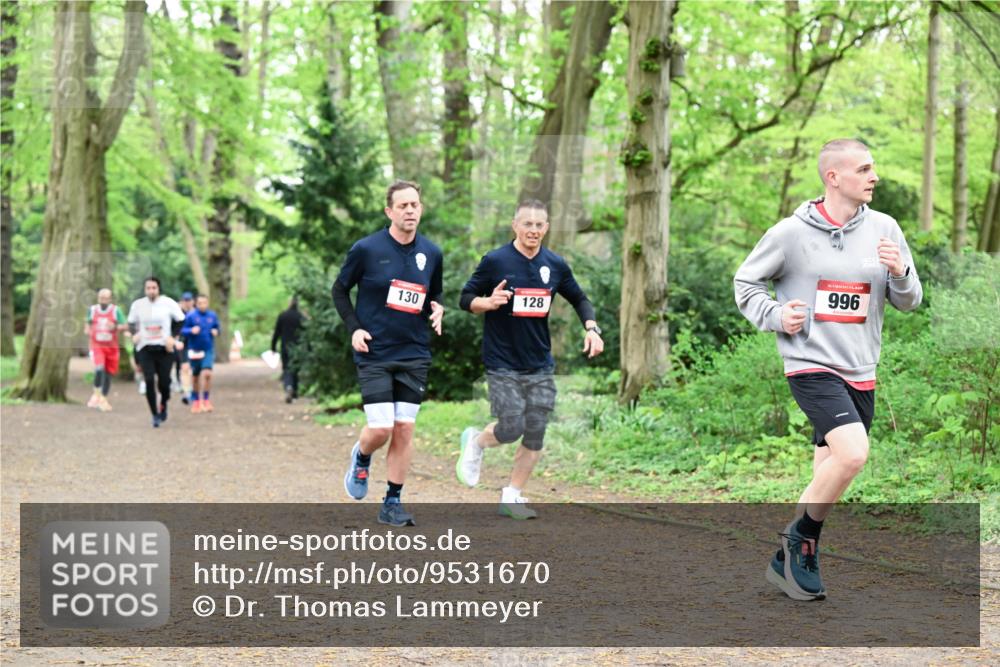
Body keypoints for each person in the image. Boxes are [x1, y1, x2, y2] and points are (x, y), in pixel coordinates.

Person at [733, 139, 922, 601]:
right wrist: (776, 315)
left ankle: (789, 557)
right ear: (833, 177)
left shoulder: (885, 228)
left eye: (873, 168)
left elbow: (909, 301)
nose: (874, 176)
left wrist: (900, 271)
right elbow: (746, 282)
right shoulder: (790, 234)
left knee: (829, 473)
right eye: (864, 169)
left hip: (861, 367)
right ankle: (799, 542)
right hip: (811, 364)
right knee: (853, 454)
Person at [456, 199, 604, 519]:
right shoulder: (495, 260)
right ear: (515, 226)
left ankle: (512, 495)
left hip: (539, 362)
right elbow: (465, 298)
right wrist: (487, 302)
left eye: (539, 225)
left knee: (536, 430)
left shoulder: (555, 264)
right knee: (511, 427)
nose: (533, 230)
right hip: (502, 360)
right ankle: (477, 442)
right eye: (527, 224)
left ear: (546, 228)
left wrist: (592, 328)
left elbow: (579, 299)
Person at [334, 180, 444, 527]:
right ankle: (362, 455)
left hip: (414, 351)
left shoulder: (432, 253)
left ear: (421, 209)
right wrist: (355, 328)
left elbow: (433, 294)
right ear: (389, 211)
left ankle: (392, 502)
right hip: (375, 350)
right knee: (381, 428)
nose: (410, 211)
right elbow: (340, 290)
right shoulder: (366, 249)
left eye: (414, 205)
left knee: (405, 427)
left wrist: (438, 308)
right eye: (403, 206)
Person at [127, 277, 186, 428]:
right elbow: (131, 323)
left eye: (154, 288)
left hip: (164, 348)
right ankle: (154, 414)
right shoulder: (138, 305)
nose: (151, 291)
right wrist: (135, 333)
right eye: (148, 288)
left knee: (164, 383)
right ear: (145, 289)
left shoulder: (168, 303)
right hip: (145, 348)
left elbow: (180, 320)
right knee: (148, 380)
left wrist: (172, 337)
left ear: (159, 289)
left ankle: (163, 403)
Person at [84, 288, 127, 412]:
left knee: (108, 373)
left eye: (105, 298)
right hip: (97, 345)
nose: (103, 300)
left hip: (112, 348)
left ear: (110, 299)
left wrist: (115, 327)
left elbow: (125, 325)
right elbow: (87, 323)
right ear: (98, 298)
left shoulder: (115, 311)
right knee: (99, 368)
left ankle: (103, 399)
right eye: (101, 298)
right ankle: (96, 394)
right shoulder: (92, 310)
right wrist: (88, 330)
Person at [181, 294, 221, 413]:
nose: (202, 305)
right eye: (200, 303)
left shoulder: (212, 315)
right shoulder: (191, 316)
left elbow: (218, 328)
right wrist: (191, 330)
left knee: (208, 374)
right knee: (195, 377)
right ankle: (197, 401)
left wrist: (216, 331)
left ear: (208, 303)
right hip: (194, 350)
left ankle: (206, 400)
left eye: (204, 303)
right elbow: (182, 330)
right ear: (196, 304)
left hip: (208, 349)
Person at [271, 296, 306, 403]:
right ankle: (294, 392)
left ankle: (288, 387)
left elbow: (277, 332)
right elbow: (306, 333)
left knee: (286, 368)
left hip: (285, 346)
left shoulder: (283, 316)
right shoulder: (300, 316)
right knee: (295, 369)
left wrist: (273, 347)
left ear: (289, 303)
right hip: (297, 347)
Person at [175, 292, 195, 404]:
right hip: (182, 343)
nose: (187, 303)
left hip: (195, 343)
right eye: (185, 301)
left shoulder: (196, 313)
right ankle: (187, 391)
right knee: (184, 367)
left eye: (189, 300)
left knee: (194, 368)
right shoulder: (177, 313)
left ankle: (193, 388)